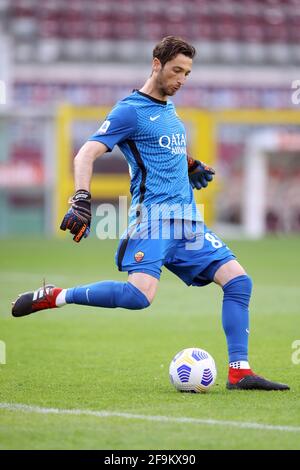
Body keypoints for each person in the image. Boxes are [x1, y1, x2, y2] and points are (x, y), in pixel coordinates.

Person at [12, 36, 289, 391]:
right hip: (154, 220)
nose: (181, 80)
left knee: (238, 282)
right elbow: (85, 154)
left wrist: (188, 164)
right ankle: (55, 296)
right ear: (156, 64)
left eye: (187, 73)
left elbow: (158, 149)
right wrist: (80, 198)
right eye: (176, 71)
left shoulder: (171, 111)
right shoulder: (129, 110)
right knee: (138, 297)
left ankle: (240, 372)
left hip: (188, 223)